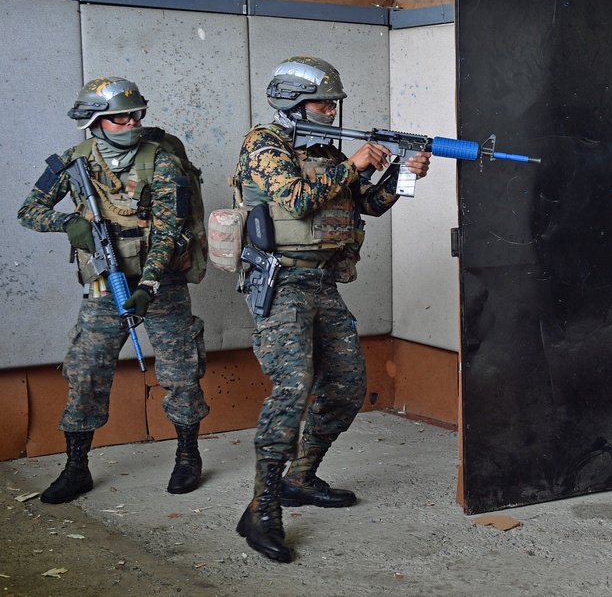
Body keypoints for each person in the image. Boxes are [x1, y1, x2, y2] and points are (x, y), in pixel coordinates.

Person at [234, 56, 430, 563]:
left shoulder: (323, 148)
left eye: (333, 101)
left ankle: (299, 477)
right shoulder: (264, 143)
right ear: (293, 101)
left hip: (321, 283)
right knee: (293, 385)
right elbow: (296, 201)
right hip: (281, 283)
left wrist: (402, 175)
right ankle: (262, 506)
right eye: (323, 101)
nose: (332, 109)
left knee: (344, 386)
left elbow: (369, 203)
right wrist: (356, 163)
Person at [18, 77, 210, 503]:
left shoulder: (161, 159)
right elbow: (28, 211)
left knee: (180, 371)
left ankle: (187, 455)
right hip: (105, 284)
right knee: (86, 371)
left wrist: (149, 284)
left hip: (162, 283)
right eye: (120, 116)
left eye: (136, 113)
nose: (132, 122)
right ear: (95, 121)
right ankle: (76, 468)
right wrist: (68, 223)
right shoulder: (74, 161)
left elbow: (169, 230)